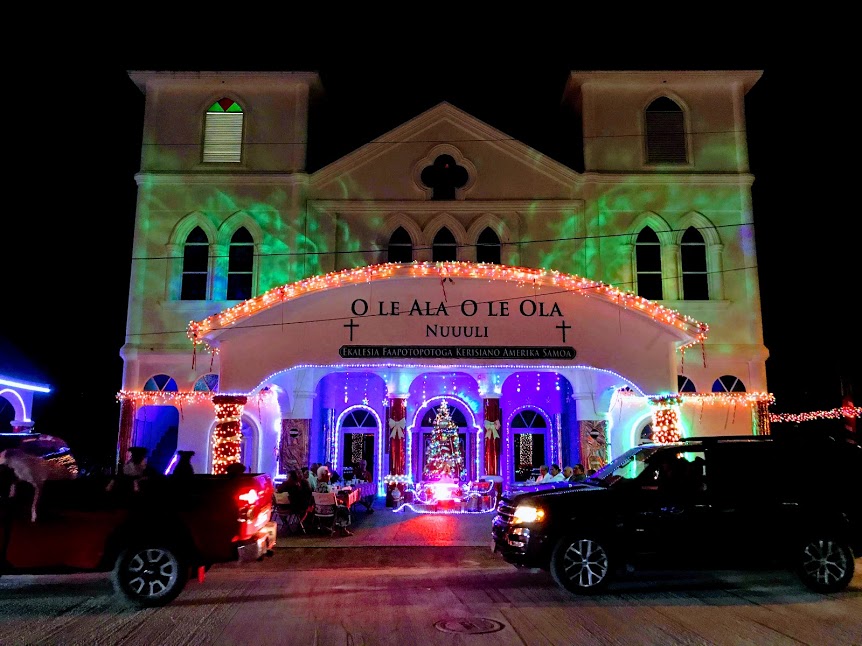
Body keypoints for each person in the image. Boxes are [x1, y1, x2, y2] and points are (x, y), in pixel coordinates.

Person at [314, 465, 353, 536]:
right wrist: (339, 501)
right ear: (323, 475)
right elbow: (331, 500)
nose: (330, 475)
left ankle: (326, 527)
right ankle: (343, 529)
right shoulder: (325, 487)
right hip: (329, 510)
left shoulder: (317, 486)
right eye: (328, 474)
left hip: (318, 510)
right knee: (344, 507)